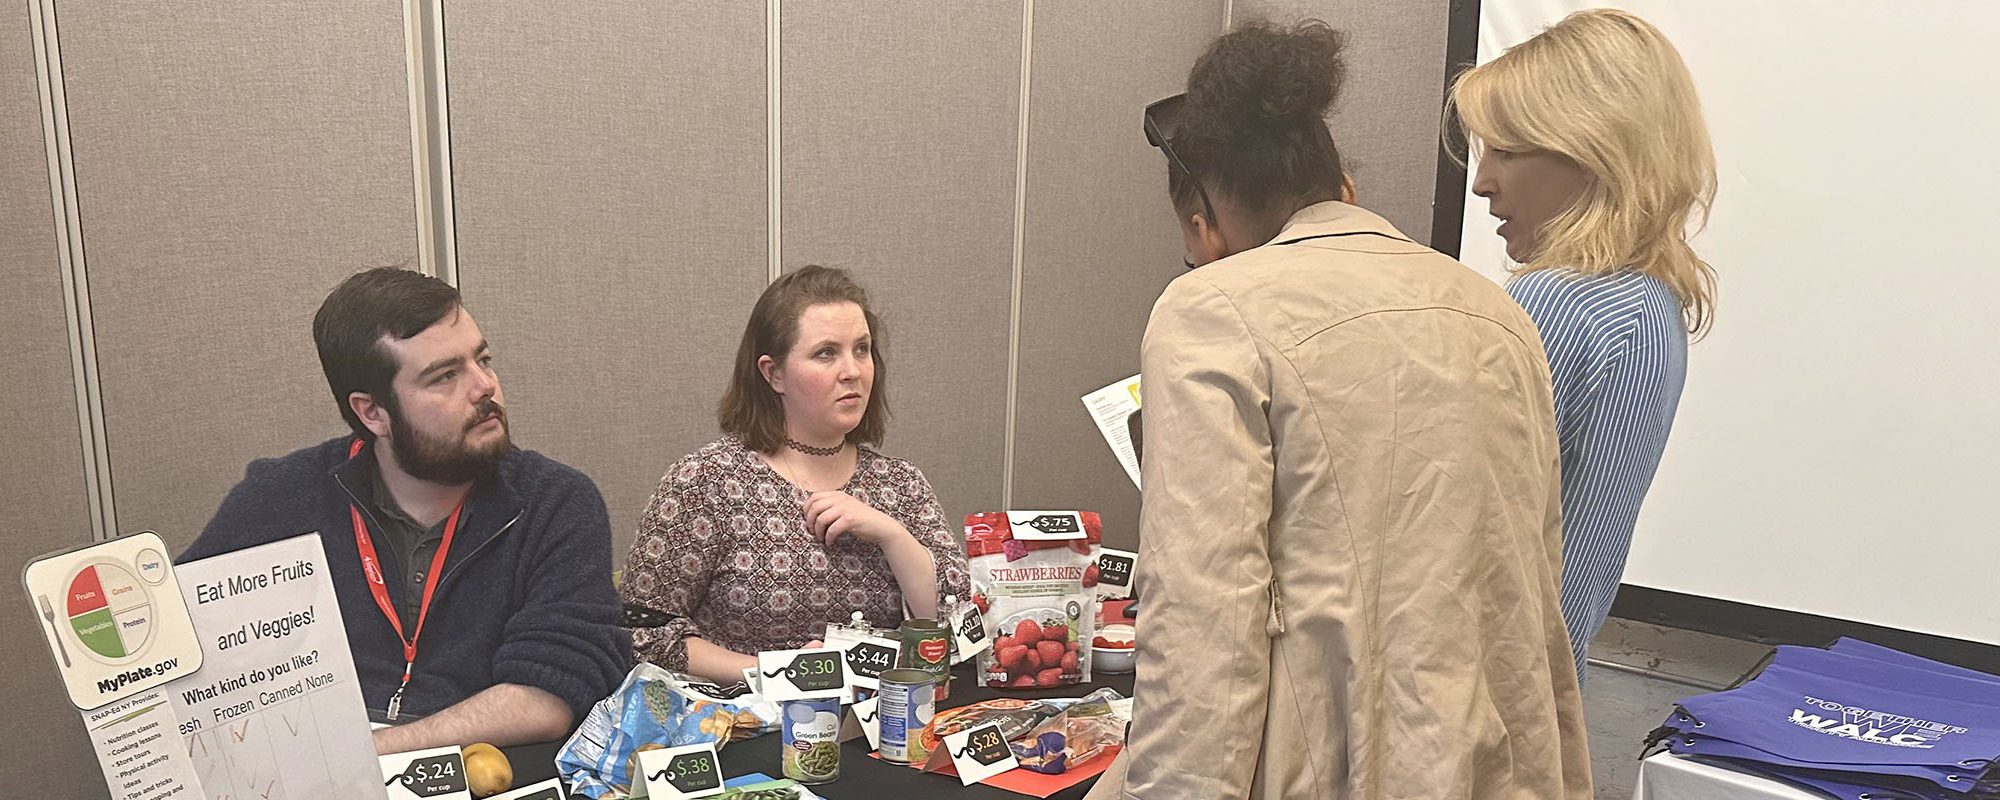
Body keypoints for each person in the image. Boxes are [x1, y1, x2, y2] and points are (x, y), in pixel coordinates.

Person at [1089, 21, 1590, 800]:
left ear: (1202, 226)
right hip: (1496, 765)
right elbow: (1534, 584)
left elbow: (1203, 626)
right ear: (1340, 185)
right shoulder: (1497, 313)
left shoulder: (1209, 309)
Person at [181, 268, 630, 753]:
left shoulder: (556, 502)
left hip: (482, 770)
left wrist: (365, 753)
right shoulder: (279, 497)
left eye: (483, 360)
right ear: (373, 412)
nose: (484, 387)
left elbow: (546, 698)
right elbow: (174, 645)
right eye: (444, 377)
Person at [1452, 8, 1717, 680]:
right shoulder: (1651, 305)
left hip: (1476, 693)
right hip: (1545, 692)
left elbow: (1449, 538)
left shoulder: (1561, 303)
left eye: (1508, 151)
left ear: (1598, 149)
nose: (1482, 182)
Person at [621, 265, 970, 685]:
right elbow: (645, 633)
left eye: (862, 349)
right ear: (775, 374)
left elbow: (952, 629)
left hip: (885, 732)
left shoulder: (901, 485)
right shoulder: (706, 480)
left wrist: (891, 535)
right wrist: (782, 675)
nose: (853, 371)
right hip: (751, 731)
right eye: (826, 353)